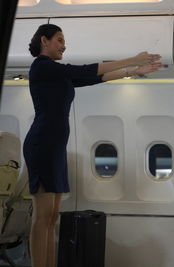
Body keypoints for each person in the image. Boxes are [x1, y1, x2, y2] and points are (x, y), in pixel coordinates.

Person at [23, 24, 163, 267]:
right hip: (42, 143)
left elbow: (97, 77)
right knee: (43, 216)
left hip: (54, 146)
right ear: (44, 41)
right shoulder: (43, 68)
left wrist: (135, 70)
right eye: (59, 39)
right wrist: (133, 58)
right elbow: (88, 69)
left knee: (53, 216)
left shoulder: (58, 75)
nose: (64, 45)